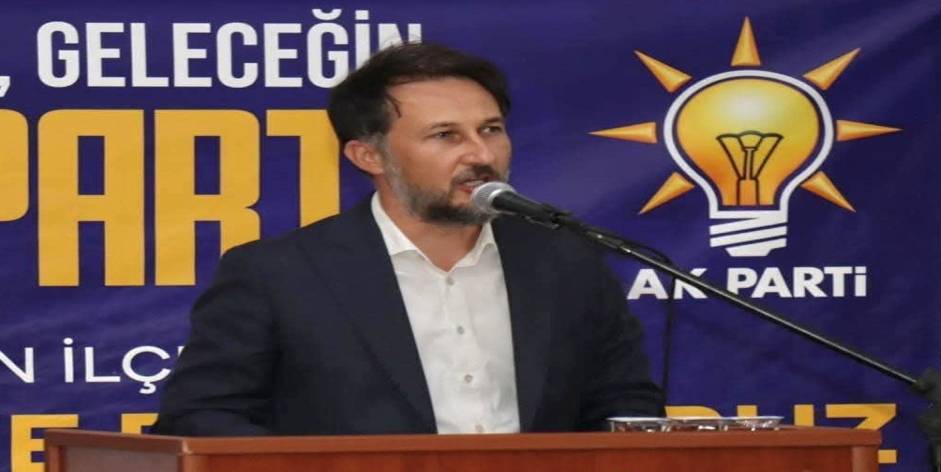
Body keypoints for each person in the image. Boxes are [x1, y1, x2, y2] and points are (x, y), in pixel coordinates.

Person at [151, 42, 664, 436]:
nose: (481, 155)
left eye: (490, 129)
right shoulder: (280, 275)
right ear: (368, 156)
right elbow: (201, 417)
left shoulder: (565, 260)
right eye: (446, 135)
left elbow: (624, 406)